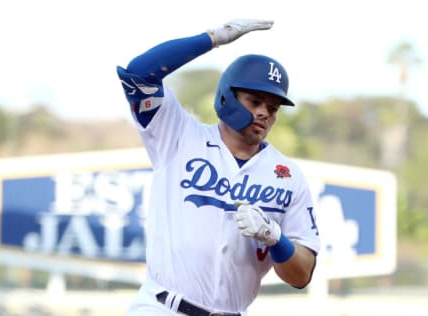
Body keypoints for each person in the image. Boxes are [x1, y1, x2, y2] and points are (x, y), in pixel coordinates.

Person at [116, 19, 320, 316]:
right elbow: (138, 74)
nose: (264, 112)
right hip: (163, 307)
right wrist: (210, 39)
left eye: (273, 108)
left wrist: (275, 238)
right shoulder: (179, 135)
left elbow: (302, 274)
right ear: (227, 96)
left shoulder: (287, 176)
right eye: (255, 100)